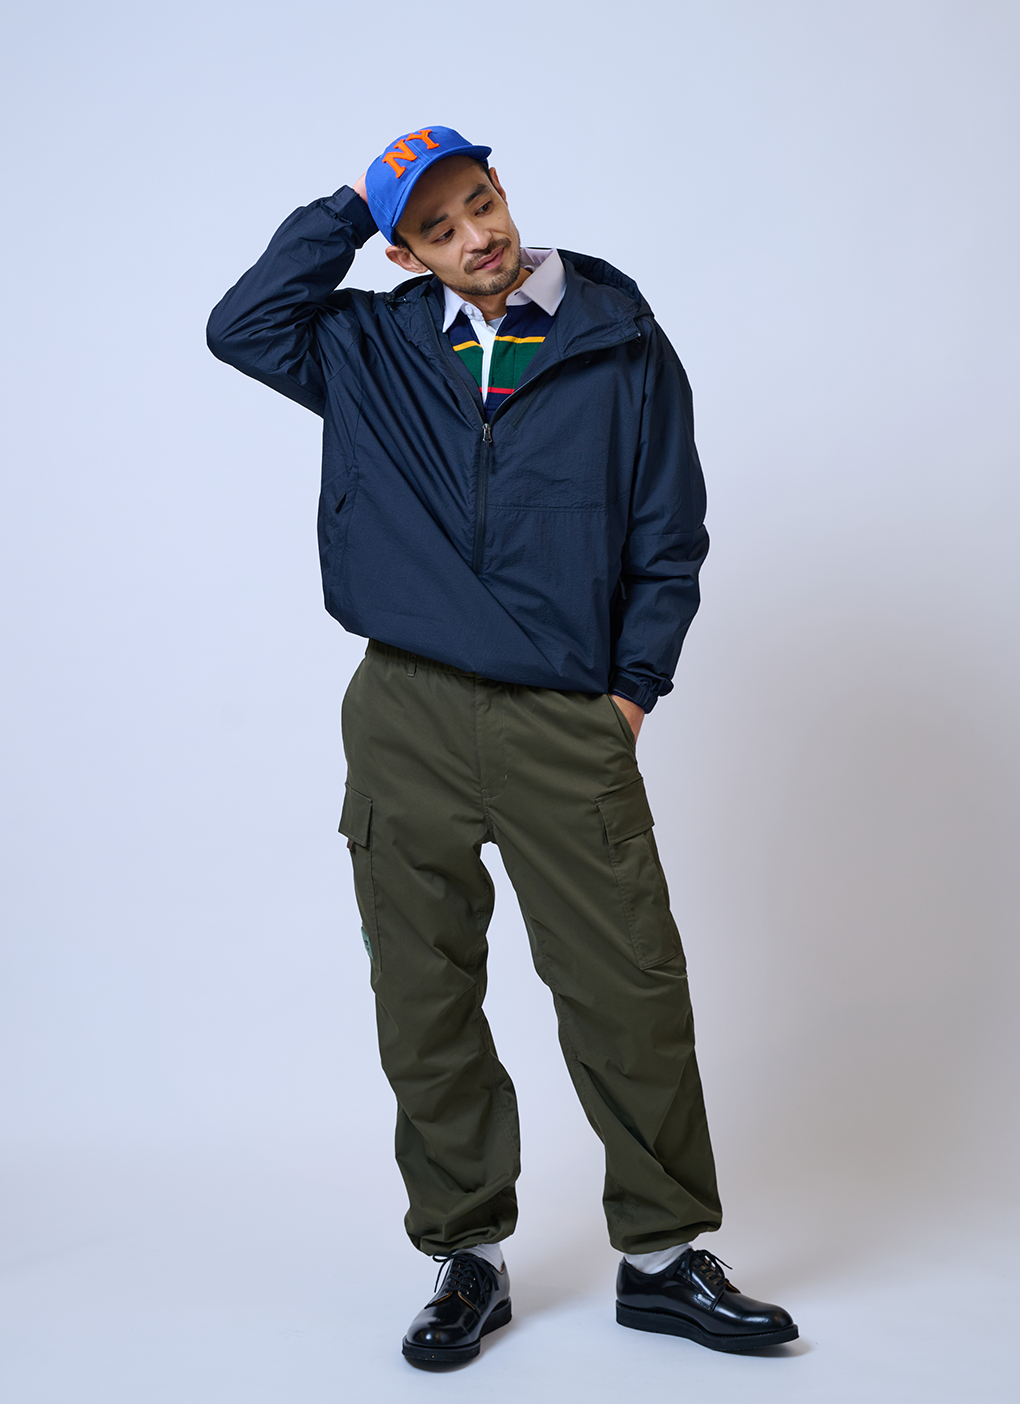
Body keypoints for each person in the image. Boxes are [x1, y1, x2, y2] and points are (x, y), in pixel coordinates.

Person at [207, 125, 797, 1367]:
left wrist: (628, 697)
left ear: (504, 190)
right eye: (439, 227)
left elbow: (669, 532)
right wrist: (350, 201)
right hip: (405, 711)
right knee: (424, 1001)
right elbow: (241, 325)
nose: (478, 236)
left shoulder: (619, 338)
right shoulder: (365, 348)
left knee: (628, 989)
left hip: (561, 718)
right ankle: (465, 1257)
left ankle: (663, 1258)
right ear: (403, 253)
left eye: (483, 202)